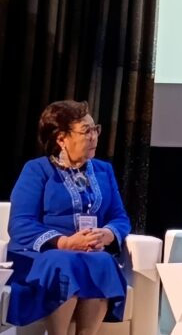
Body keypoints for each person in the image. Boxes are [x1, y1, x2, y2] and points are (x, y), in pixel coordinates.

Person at [7, 100, 132, 335]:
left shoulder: (104, 170)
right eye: (86, 131)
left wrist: (107, 234)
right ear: (61, 139)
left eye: (95, 129)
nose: (94, 137)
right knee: (64, 261)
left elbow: (119, 217)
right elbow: (20, 223)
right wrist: (65, 242)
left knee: (103, 261)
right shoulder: (37, 170)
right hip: (42, 257)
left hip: (89, 254)